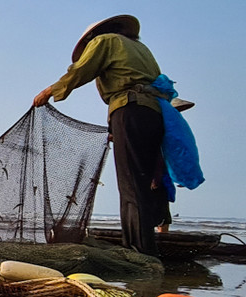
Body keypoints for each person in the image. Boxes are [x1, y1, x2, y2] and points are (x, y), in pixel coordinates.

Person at [33, 14, 169, 256]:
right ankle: (149, 245)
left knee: (131, 185)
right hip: (155, 113)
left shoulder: (104, 40)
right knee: (145, 180)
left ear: (92, 38)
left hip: (130, 109)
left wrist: (49, 91)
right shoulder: (141, 48)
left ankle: (139, 253)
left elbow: (81, 70)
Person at [155, 96, 195, 233]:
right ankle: (156, 241)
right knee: (157, 211)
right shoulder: (158, 128)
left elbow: (177, 154)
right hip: (154, 175)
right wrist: (155, 176)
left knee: (162, 212)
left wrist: (181, 175)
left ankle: (160, 239)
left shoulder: (172, 130)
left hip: (162, 176)